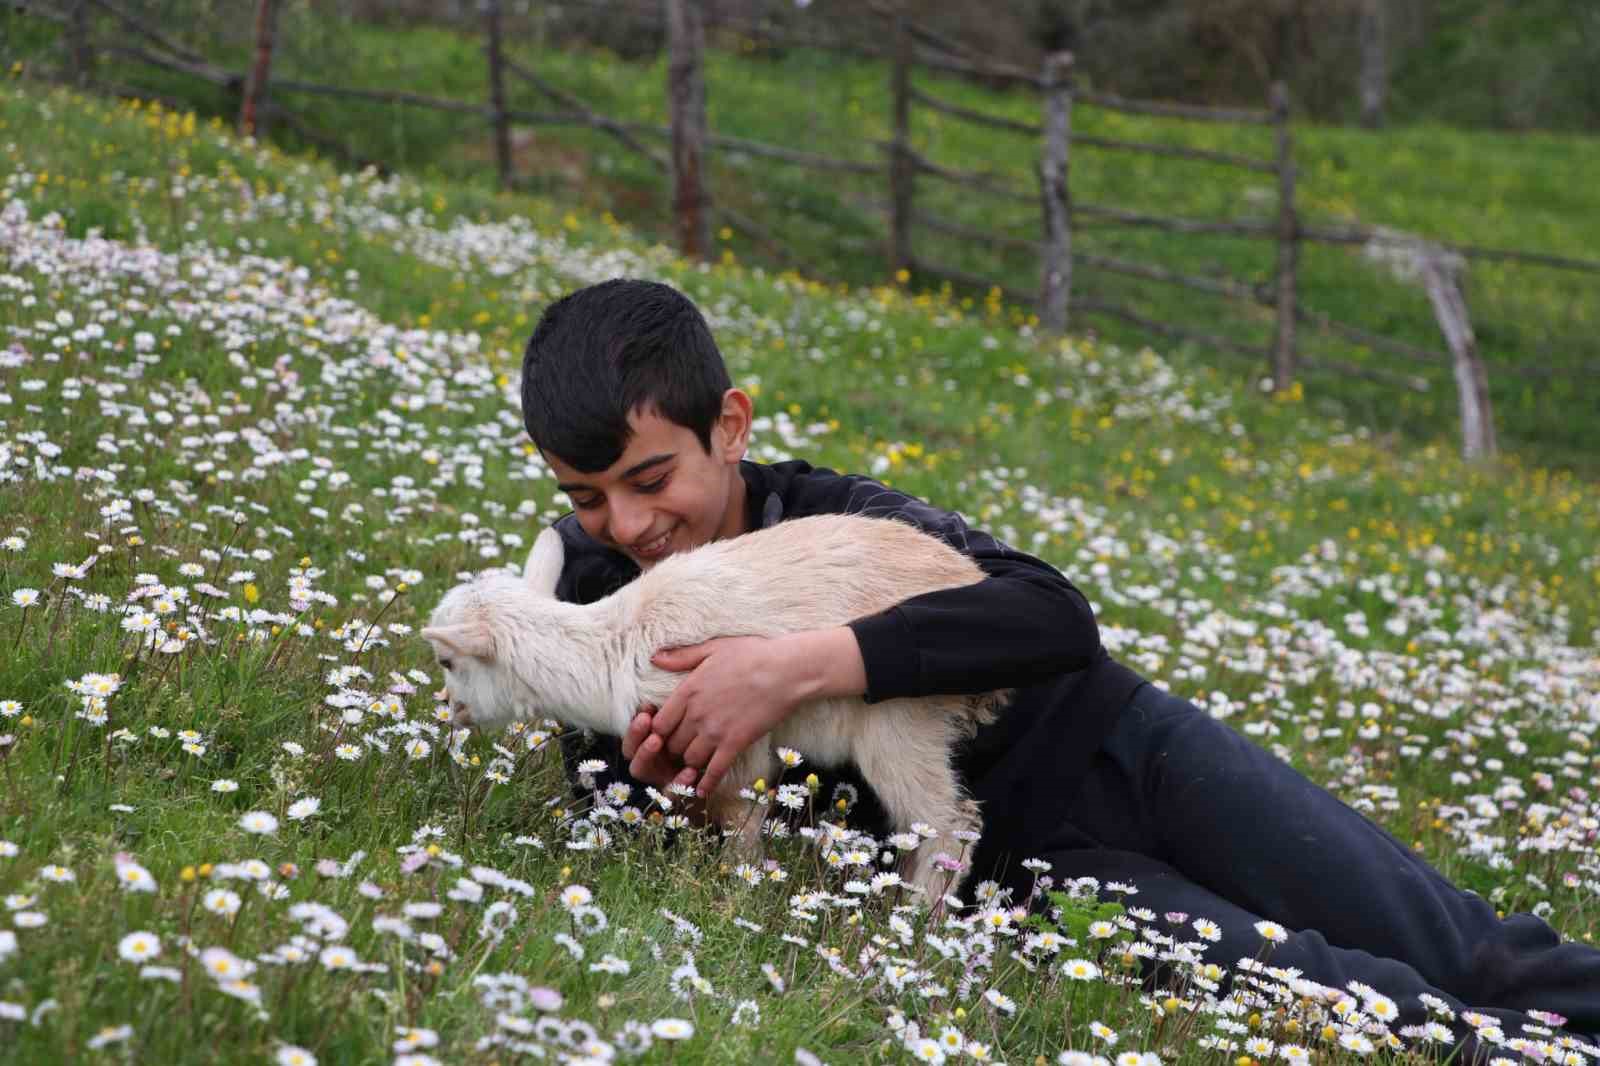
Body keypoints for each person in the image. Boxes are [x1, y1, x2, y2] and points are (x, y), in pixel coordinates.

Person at [519, 278, 1600, 1046]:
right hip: (1027, 876)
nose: (629, 520)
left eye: (651, 477)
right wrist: (680, 791)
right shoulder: (591, 610)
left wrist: (797, 665)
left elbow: (1047, 615)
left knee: (1465, 950)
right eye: (586, 496)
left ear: (731, 426)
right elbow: (625, 809)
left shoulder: (834, 513)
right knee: (1360, 1002)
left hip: (1126, 745)